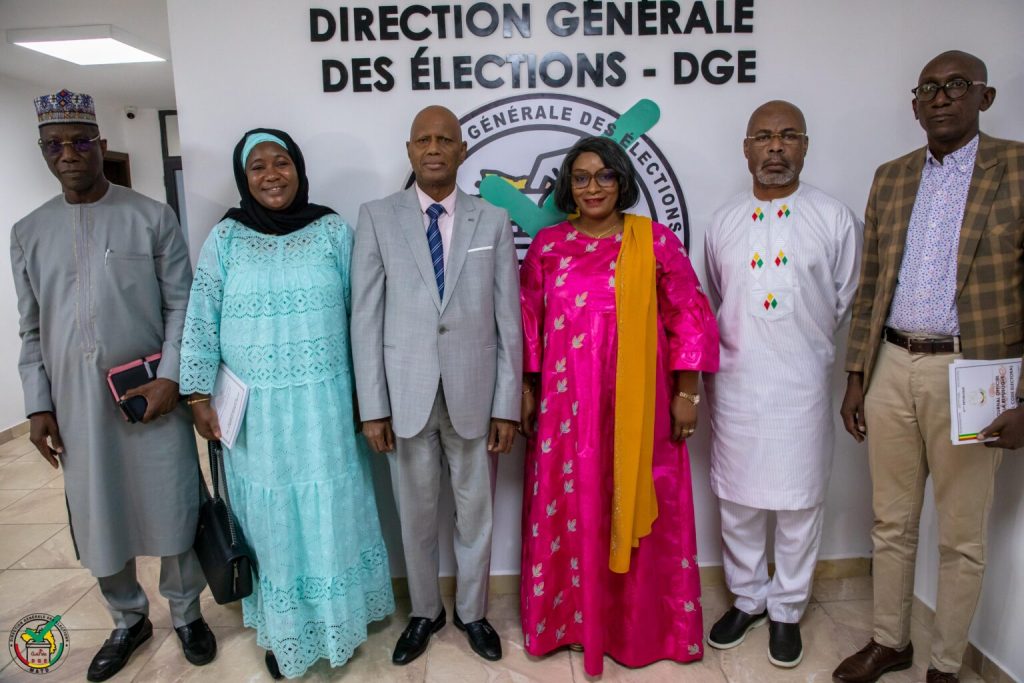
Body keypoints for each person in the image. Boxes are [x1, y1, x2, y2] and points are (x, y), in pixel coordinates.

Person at [10, 89, 215, 682]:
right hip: (76, 407)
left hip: (151, 399)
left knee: (174, 504)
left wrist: (171, 378)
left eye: (79, 142)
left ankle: (186, 613)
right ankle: (128, 619)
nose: (68, 154)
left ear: (100, 144)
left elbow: (182, 307)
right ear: (42, 151)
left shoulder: (151, 217)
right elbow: (30, 327)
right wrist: (37, 405)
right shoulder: (28, 231)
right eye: (54, 145)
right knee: (98, 511)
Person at [834, 51, 1024, 683]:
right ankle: (890, 641)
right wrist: (857, 376)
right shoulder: (891, 178)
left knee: (962, 535)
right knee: (890, 521)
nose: (941, 98)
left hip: (974, 374)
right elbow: (870, 285)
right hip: (891, 363)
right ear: (915, 105)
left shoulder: (1017, 168)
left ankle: (945, 665)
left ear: (984, 98)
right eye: (928, 89)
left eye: (956, 86)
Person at [179, 129, 395, 679]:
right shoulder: (225, 239)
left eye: (282, 163)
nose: (272, 174)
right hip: (257, 417)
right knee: (270, 521)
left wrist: (369, 397)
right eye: (258, 166)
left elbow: (363, 316)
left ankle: (339, 618)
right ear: (243, 177)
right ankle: (286, 631)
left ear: (299, 169)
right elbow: (201, 317)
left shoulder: (332, 232)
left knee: (330, 511)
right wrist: (197, 393)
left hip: (327, 407)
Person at [518, 136, 720, 676]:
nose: (593, 188)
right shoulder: (548, 247)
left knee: (638, 505)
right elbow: (527, 326)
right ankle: (570, 624)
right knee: (572, 506)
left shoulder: (653, 242)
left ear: (622, 181)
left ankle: (639, 629)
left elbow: (688, 316)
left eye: (604, 175)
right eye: (581, 177)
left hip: (641, 409)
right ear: (568, 186)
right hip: (566, 412)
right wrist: (527, 391)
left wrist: (687, 393)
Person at [351, 105, 522, 665]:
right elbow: (365, 318)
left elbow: (508, 320)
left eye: (444, 140)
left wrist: (506, 406)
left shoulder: (491, 219)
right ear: (409, 150)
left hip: (475, 395)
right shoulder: (377, 217)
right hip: (406, 397)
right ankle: (425, 612)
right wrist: (372, 408)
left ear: (461, 150)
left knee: (476, 515)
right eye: (422, 139)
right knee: (416, 516)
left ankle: (473, 612)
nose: (433, 148)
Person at [702, 101, 862, 668]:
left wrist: (799, 341)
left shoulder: (835, 218)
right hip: (738, 384)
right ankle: (748, 599)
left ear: (805, 145)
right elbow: (720, 299)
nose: (775, 146)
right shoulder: (722, 222)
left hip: (802, 385)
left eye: (788, 135)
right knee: (739, 502)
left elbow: (842, 300)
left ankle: (788, 608)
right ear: (746, 148)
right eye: (763, 136)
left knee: (799, 504)